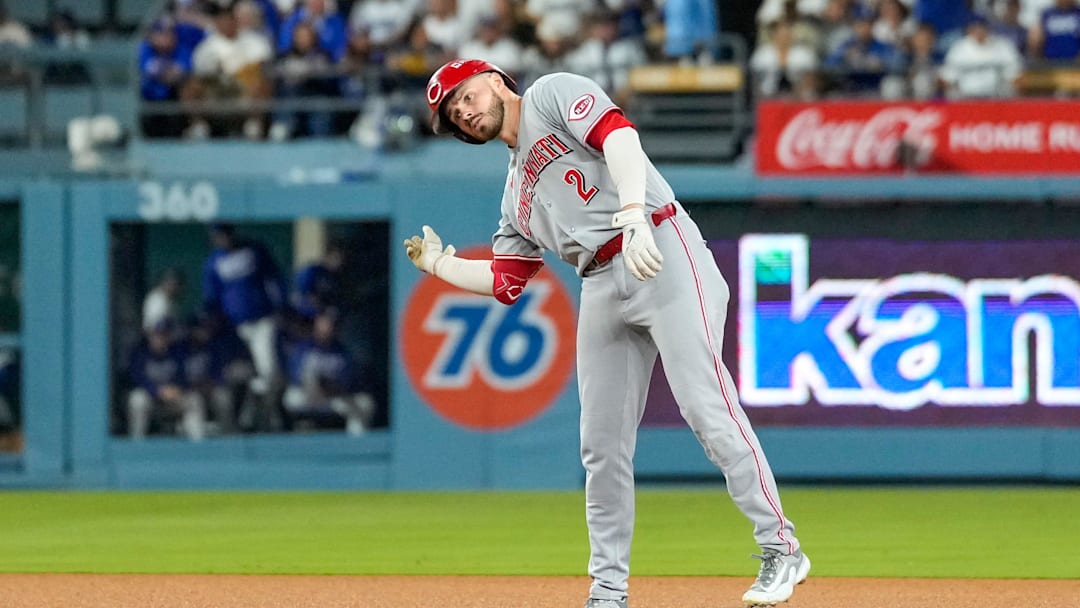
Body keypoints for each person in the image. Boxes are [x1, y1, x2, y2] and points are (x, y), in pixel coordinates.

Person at [406, 58, 809, 608]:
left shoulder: (550, 94)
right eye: (454, 113)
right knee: (600, 447)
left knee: (705, 408)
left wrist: (635, 214)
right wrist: (439, 266)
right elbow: (507, 280)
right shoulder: (513, 193)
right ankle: (608, 591)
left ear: (496, 80)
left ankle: (781, 547)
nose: (464, 112)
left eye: (466, 96)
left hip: (661, 244)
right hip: (597, 280)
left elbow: (618, 136)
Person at [202, 223, 287, 429]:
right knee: (241, 374)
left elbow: (275, 277)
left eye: (225, 233)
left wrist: (281, 306)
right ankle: (251, 416)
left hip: (261, 321)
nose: (223, 238)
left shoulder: (254, 249)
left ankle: (264, 414)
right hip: (233, 328)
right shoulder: (214, 261)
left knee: (269, 371)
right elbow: (211, 298)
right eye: (218, 235)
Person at [282, 309, 374, 435]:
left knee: (364, 403)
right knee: (291, 397)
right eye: (325, 323)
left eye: (332, 324)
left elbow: (346, 383)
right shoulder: (303, 349)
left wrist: (329, 386)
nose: (328, 327)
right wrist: (314, 385)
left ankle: (356, 445)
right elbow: (295, 377)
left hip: (332, 398)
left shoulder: (342, 353)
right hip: (307, 397)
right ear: (317, 324)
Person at [126, 320, 207, 441]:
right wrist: (157, 391)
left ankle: (198, 445)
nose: (160, 338)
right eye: (157, 335)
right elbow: (138, 378)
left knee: (194, 400)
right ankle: (136, 443)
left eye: (164, 335)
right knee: (137, 400)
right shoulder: (140, 353)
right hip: (151, 399)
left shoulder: (177, 353)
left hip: (174, 399)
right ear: (150, 336)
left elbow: (184, 377)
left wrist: (177, 389)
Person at [941, 12, 1024, 98]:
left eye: (982, 26)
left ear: (988, 28)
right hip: (966, 100)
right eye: (975, 27)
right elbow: (947, 79)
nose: (979, 30)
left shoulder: (1003, 46)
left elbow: (1016, 76)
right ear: (968, 29)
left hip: (997, 100)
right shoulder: (959, 49)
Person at [142, 267, 186, 335]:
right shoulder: (157, 301)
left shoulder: (172, 299)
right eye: (173, 284)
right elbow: (152, 329)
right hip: (158, 337)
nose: (178, 288)